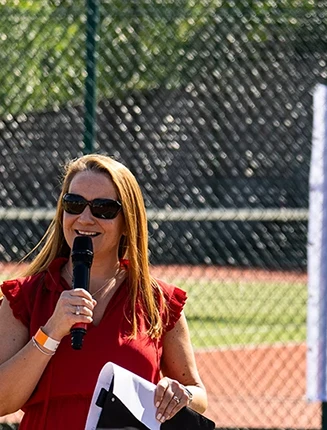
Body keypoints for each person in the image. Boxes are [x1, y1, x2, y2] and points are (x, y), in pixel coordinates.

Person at [0, 154, 208, 429]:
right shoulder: (25, 297)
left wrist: (180, 395)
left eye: (104, 209)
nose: (85, 218)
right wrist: (51, 332)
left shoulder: (158, 301)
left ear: (127, 222)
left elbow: (197, 393)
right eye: (74, 205)